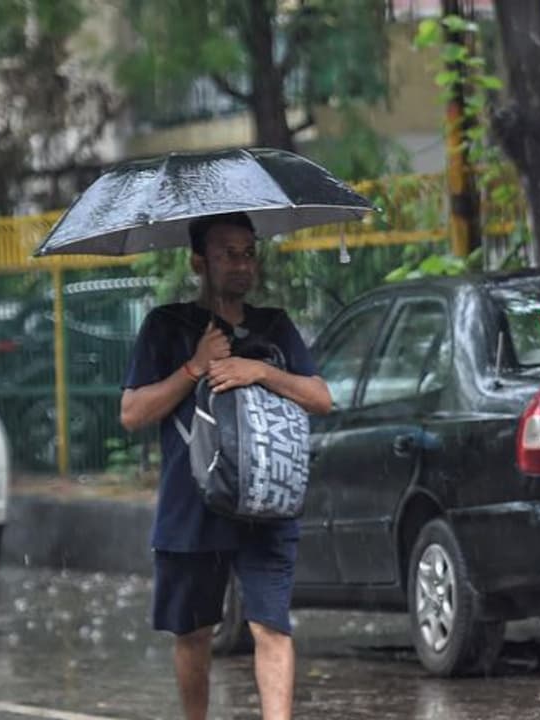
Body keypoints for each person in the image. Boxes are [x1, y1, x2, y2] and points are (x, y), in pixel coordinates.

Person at [119, 212, 332, 720]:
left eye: (248, 252)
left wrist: (258, 369)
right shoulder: (165, 327)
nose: (241, 264)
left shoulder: (275, 327)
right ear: (198, 261)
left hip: (267, 500)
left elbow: (320, 398)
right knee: (193, 632)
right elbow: (132, 414)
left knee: (271, 626)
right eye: (226, 253)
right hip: (191, 503)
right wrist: (194, 365)